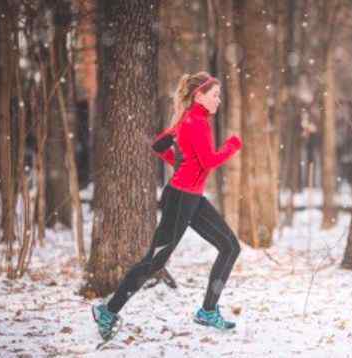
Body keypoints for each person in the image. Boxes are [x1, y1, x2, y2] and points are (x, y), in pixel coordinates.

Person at [92, 71, 243, 339]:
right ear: (199, 95)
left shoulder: (190, 120)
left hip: (192, 198)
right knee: (155, 260)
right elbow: (207, 161)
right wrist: (232, 146)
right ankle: (109, 311)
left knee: (230, 246)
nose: (219, 100)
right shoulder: (196, 122)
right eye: (215, 95)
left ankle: (208, 311)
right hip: (180, 200)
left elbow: (160, 145)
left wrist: (179, 162)